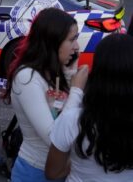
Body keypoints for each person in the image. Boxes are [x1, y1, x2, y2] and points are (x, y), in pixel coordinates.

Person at [2, 8, 88, 182]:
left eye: (76, 39)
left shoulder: (56, 70)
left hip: (64, 168)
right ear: (52, 42)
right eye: (72, 40)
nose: (77, 46)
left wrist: (70, 74)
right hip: (35, 170)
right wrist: (77, 90)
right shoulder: (26, 77)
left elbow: (74, 116)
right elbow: (54, 138)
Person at [45, 33, 133, 181]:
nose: (76, 46)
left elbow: (53, 172)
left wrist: (76, 91)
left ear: (97, 72)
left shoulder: (73, 120)